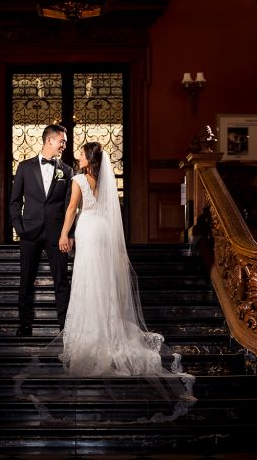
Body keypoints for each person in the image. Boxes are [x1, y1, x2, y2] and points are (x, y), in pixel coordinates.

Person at [57, 142, 173, 377]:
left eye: (81, 154)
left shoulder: (79, 180)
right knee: (102, 278)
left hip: (88, 229)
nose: (78, 157)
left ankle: (91, 332)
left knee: (88, 278)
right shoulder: (105, 182)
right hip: (104, 230)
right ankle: (108, 328)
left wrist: (63, 234)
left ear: (89, 158)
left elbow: (71, 209)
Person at [8, 124, 74, 336]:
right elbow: (15, 201)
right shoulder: (25, 167)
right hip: (30, 232)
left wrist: (69, 234)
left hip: (57, 235)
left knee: (61, 281)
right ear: (50, 140)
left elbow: (69, 207)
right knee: (26, 280)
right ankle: (25, 325)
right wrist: (20, 227)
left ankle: (65, 327)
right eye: (62, 141)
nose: (64, 145)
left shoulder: (67, 171)